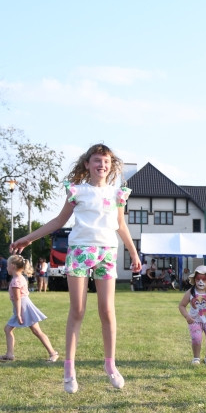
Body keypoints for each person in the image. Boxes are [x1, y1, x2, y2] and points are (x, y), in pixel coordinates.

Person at [10, 143, 142, 393]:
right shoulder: (77, 191)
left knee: (107, 310)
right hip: (80, 251)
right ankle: (69, 369)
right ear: (87, 164)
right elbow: (59, 221)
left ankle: (110, 365)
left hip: (107, 252)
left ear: (110, 165)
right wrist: (29, 238)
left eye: (105, 161)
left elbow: (121, 225)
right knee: (78, 310)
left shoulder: (118, 193)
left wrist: (133, 253)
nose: (101, 165)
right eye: (96, 160)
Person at [0, 254, 58, 362]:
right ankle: (9, 354)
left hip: (23, 307)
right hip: (23, 306)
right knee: (11, 329)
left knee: (36, 331)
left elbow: (18, 299)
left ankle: (53, 353)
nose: (6, 268)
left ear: (13, 266)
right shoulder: (20, 278)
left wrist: (19, 314)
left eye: (7, 266)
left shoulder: (16, 281)